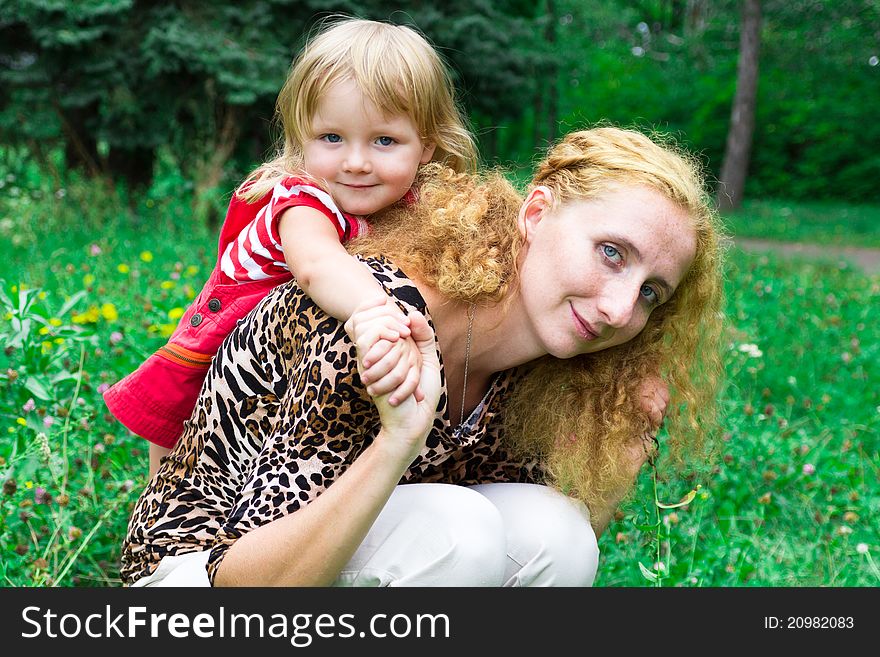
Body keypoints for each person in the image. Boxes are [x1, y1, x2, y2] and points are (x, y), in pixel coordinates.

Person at [120, 127, 725, 587]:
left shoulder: (548, 371)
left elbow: (548, 567)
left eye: (651, 292)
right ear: (536, 215)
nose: (621, 310)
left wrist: (624, 448)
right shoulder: (368, 322)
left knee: (558, 532)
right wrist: (396, 442)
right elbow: (247, 582)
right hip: (201, 574)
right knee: (457, 530)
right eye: (612, 253)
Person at [103, 18, 478, 478]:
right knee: (185, 474)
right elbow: (318, 266)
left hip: (298, 373)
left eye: (384, 141)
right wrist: (376, 314)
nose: (356, 162)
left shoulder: (415, 202)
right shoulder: (304, 198)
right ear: (302, 136)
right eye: (332, 138)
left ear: (426, 146)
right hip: (224, 359)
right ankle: (161, 536)